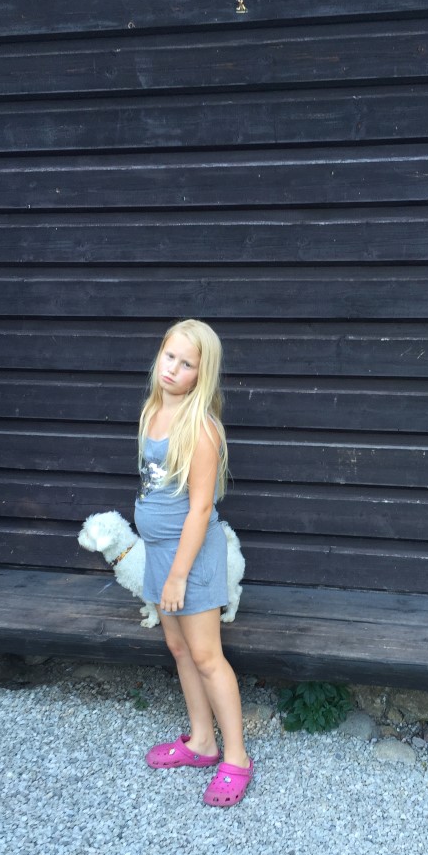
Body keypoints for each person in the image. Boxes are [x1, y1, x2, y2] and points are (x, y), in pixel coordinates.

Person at [134, 319, 253, 807]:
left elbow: (200, 509)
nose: (173, 369)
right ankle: (202, 742)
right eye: (170, 356)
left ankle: (237, 758)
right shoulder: (153, 410)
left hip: (191, 560)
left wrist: (179, 575)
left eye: (187, 364)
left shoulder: (201, 428)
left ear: (201, 375)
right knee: (179, 649)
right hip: (160, 554)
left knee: (206, 656)